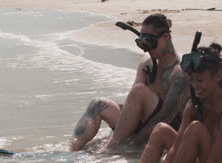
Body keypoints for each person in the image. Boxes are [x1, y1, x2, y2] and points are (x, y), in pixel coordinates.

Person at [68, 14, 189, 151]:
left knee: (139, 91)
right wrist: (123, 130)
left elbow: (166, 116)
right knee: (98, 104)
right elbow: (130, 104)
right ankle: (71, 150)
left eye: (150, 42)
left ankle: (109, 149)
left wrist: (130, 145)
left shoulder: (180, 71)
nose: (146, 48)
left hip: (165, 129)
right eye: (142, 42)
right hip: (142, 124)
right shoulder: (146, 62)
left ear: (165, 37)